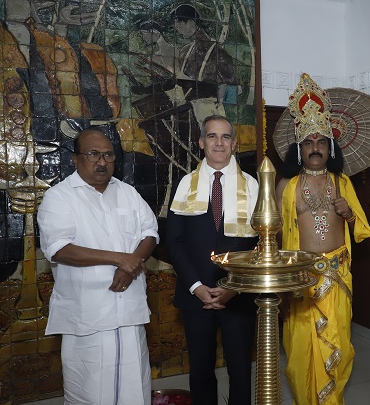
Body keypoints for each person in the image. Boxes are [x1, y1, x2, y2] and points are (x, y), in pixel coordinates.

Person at [37, 129, 159, 404]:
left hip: (128, 313)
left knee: (134, 390)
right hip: (88, 316)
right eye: (93, 154)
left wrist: (130, 265)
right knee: (90, 392)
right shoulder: (60, 197)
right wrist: (118, 258)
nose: (101, 161)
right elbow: (59, 249)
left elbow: (150, 232)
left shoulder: (127, 193)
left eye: (108, 155)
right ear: (75, 159)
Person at [276, 73, 370, 405]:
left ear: (329, 148)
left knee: (340, 345)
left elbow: (360, 228)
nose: (315, 149)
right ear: (299, 149)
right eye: (308, 143)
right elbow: (274, 234)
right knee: (301, 350)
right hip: (300, 277)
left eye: (321, 142)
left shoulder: (341, 181)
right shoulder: (287, 186)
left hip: (337, 275)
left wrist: (347, 212)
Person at [167, 115, 259, 405]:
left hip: (239, 294)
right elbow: (175, 242)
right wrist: (196, 286)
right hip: (196, 295)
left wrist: (235, 286)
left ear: (234, 143)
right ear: (201, 143)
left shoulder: (253, 186)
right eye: (211, 136)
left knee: (241, 369)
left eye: (225, 137)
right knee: (201, 369)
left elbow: (261, 245)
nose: (218, 143)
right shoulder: (185, 184)